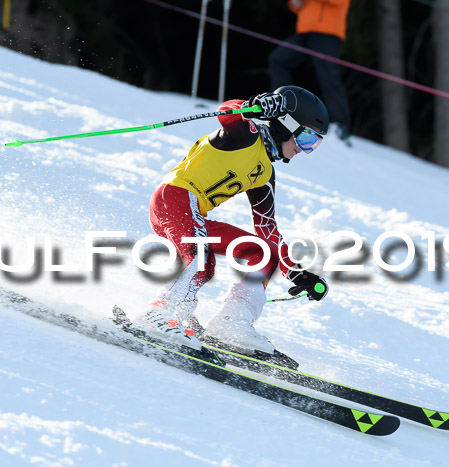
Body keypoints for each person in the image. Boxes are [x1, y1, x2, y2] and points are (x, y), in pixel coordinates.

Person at [132, 86, 330, 355]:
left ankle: (231, 324)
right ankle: (159, 314)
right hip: (175, 197)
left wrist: (294, 271)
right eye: (307, 138)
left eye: (315, 145)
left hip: (193, 213)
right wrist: (255, 105)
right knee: (199, 257)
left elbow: (267, 228)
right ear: (285, 124)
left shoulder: (265, 174)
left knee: (263, 252)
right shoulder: (245, 135)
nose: (305, 149)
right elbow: (228, 112)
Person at [268, 0, 352, 143]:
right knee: (278, 60)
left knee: (329, 78)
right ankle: (280, 108)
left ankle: (340, 126)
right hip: (305, 31)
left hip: (327, 33)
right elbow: (300, 6)